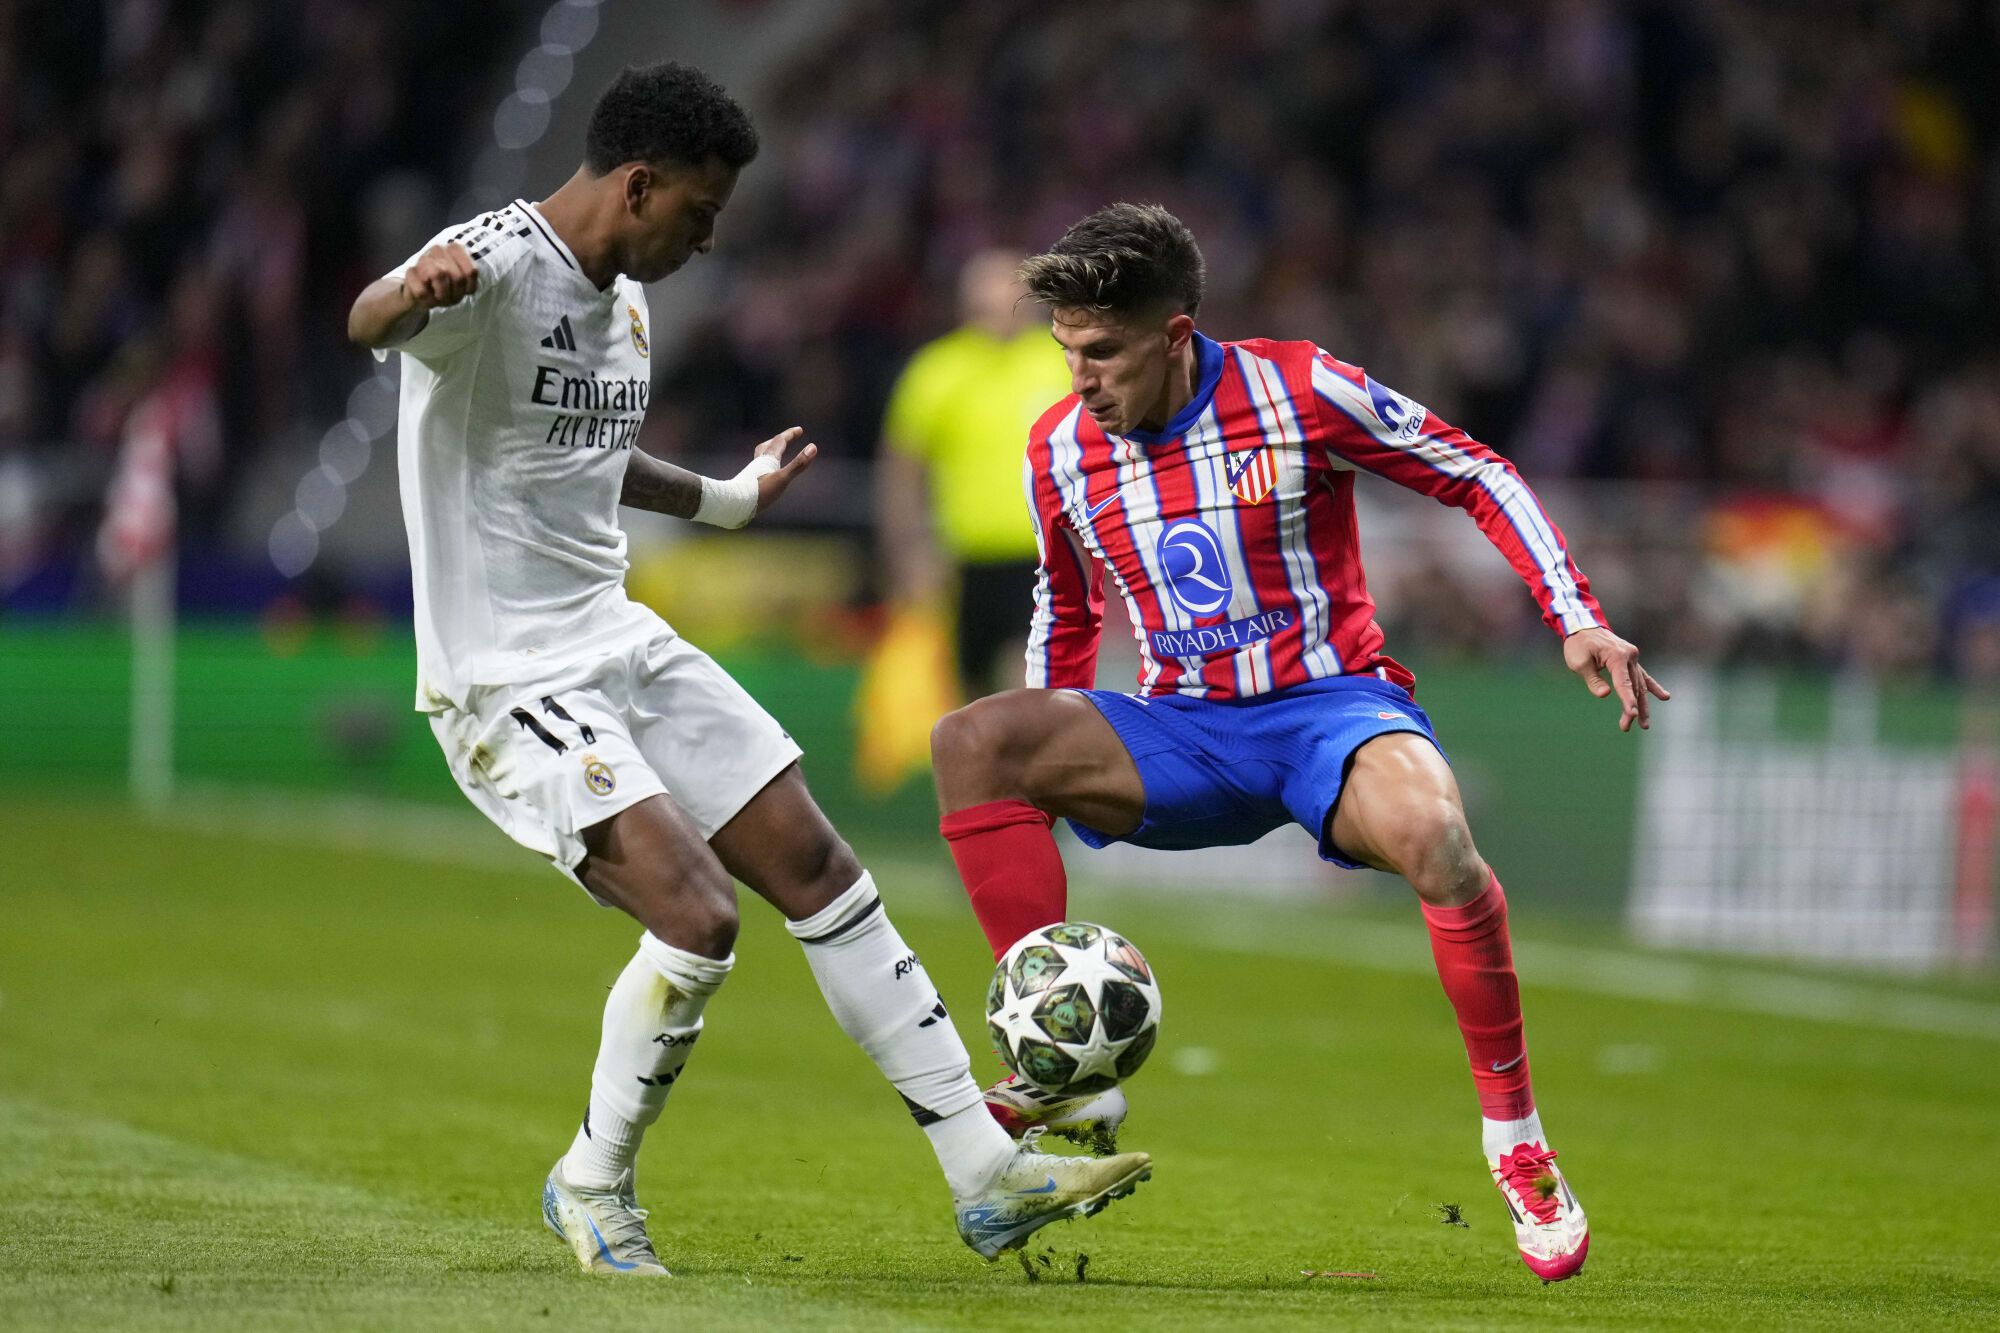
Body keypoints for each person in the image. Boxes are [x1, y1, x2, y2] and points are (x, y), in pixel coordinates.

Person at [345, 63, 1149, 1277]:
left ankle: (986, 1175)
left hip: (614, 638)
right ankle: (590, 1181)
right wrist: (411, 288)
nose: (707, 237)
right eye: (701, 213)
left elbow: (590, 453)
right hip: (507, 675)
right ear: (638, 182)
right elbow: (371, 320)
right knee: (699, 914)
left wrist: (725, 500)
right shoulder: (493, 261)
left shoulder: (623, 302)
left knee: (822, 870)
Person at [931, 203, 1670, 1283]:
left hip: (1328, 713)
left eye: (1102, 354)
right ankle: (1059, 1055)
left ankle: (1515, 1142)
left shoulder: (1296, 387)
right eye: (1066, 354)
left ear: (1175, 335)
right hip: (1180, 731)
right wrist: (1056, 728)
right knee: (973, 742)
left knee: (1435, 834)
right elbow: (1068, 608)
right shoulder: (1059, 449)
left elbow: (1472, 469)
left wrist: (1573, 614)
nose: (1079, 379)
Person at [876, 249, 1071, 699]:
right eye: (985, 297)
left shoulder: (1063, 363)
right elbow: (902, 469)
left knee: (1025, 683)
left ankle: (1028, 766)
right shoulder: (936, 371)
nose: (997, 309)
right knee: (971, 690)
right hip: (963, 561)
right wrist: (907, 550)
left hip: (1044, 556)